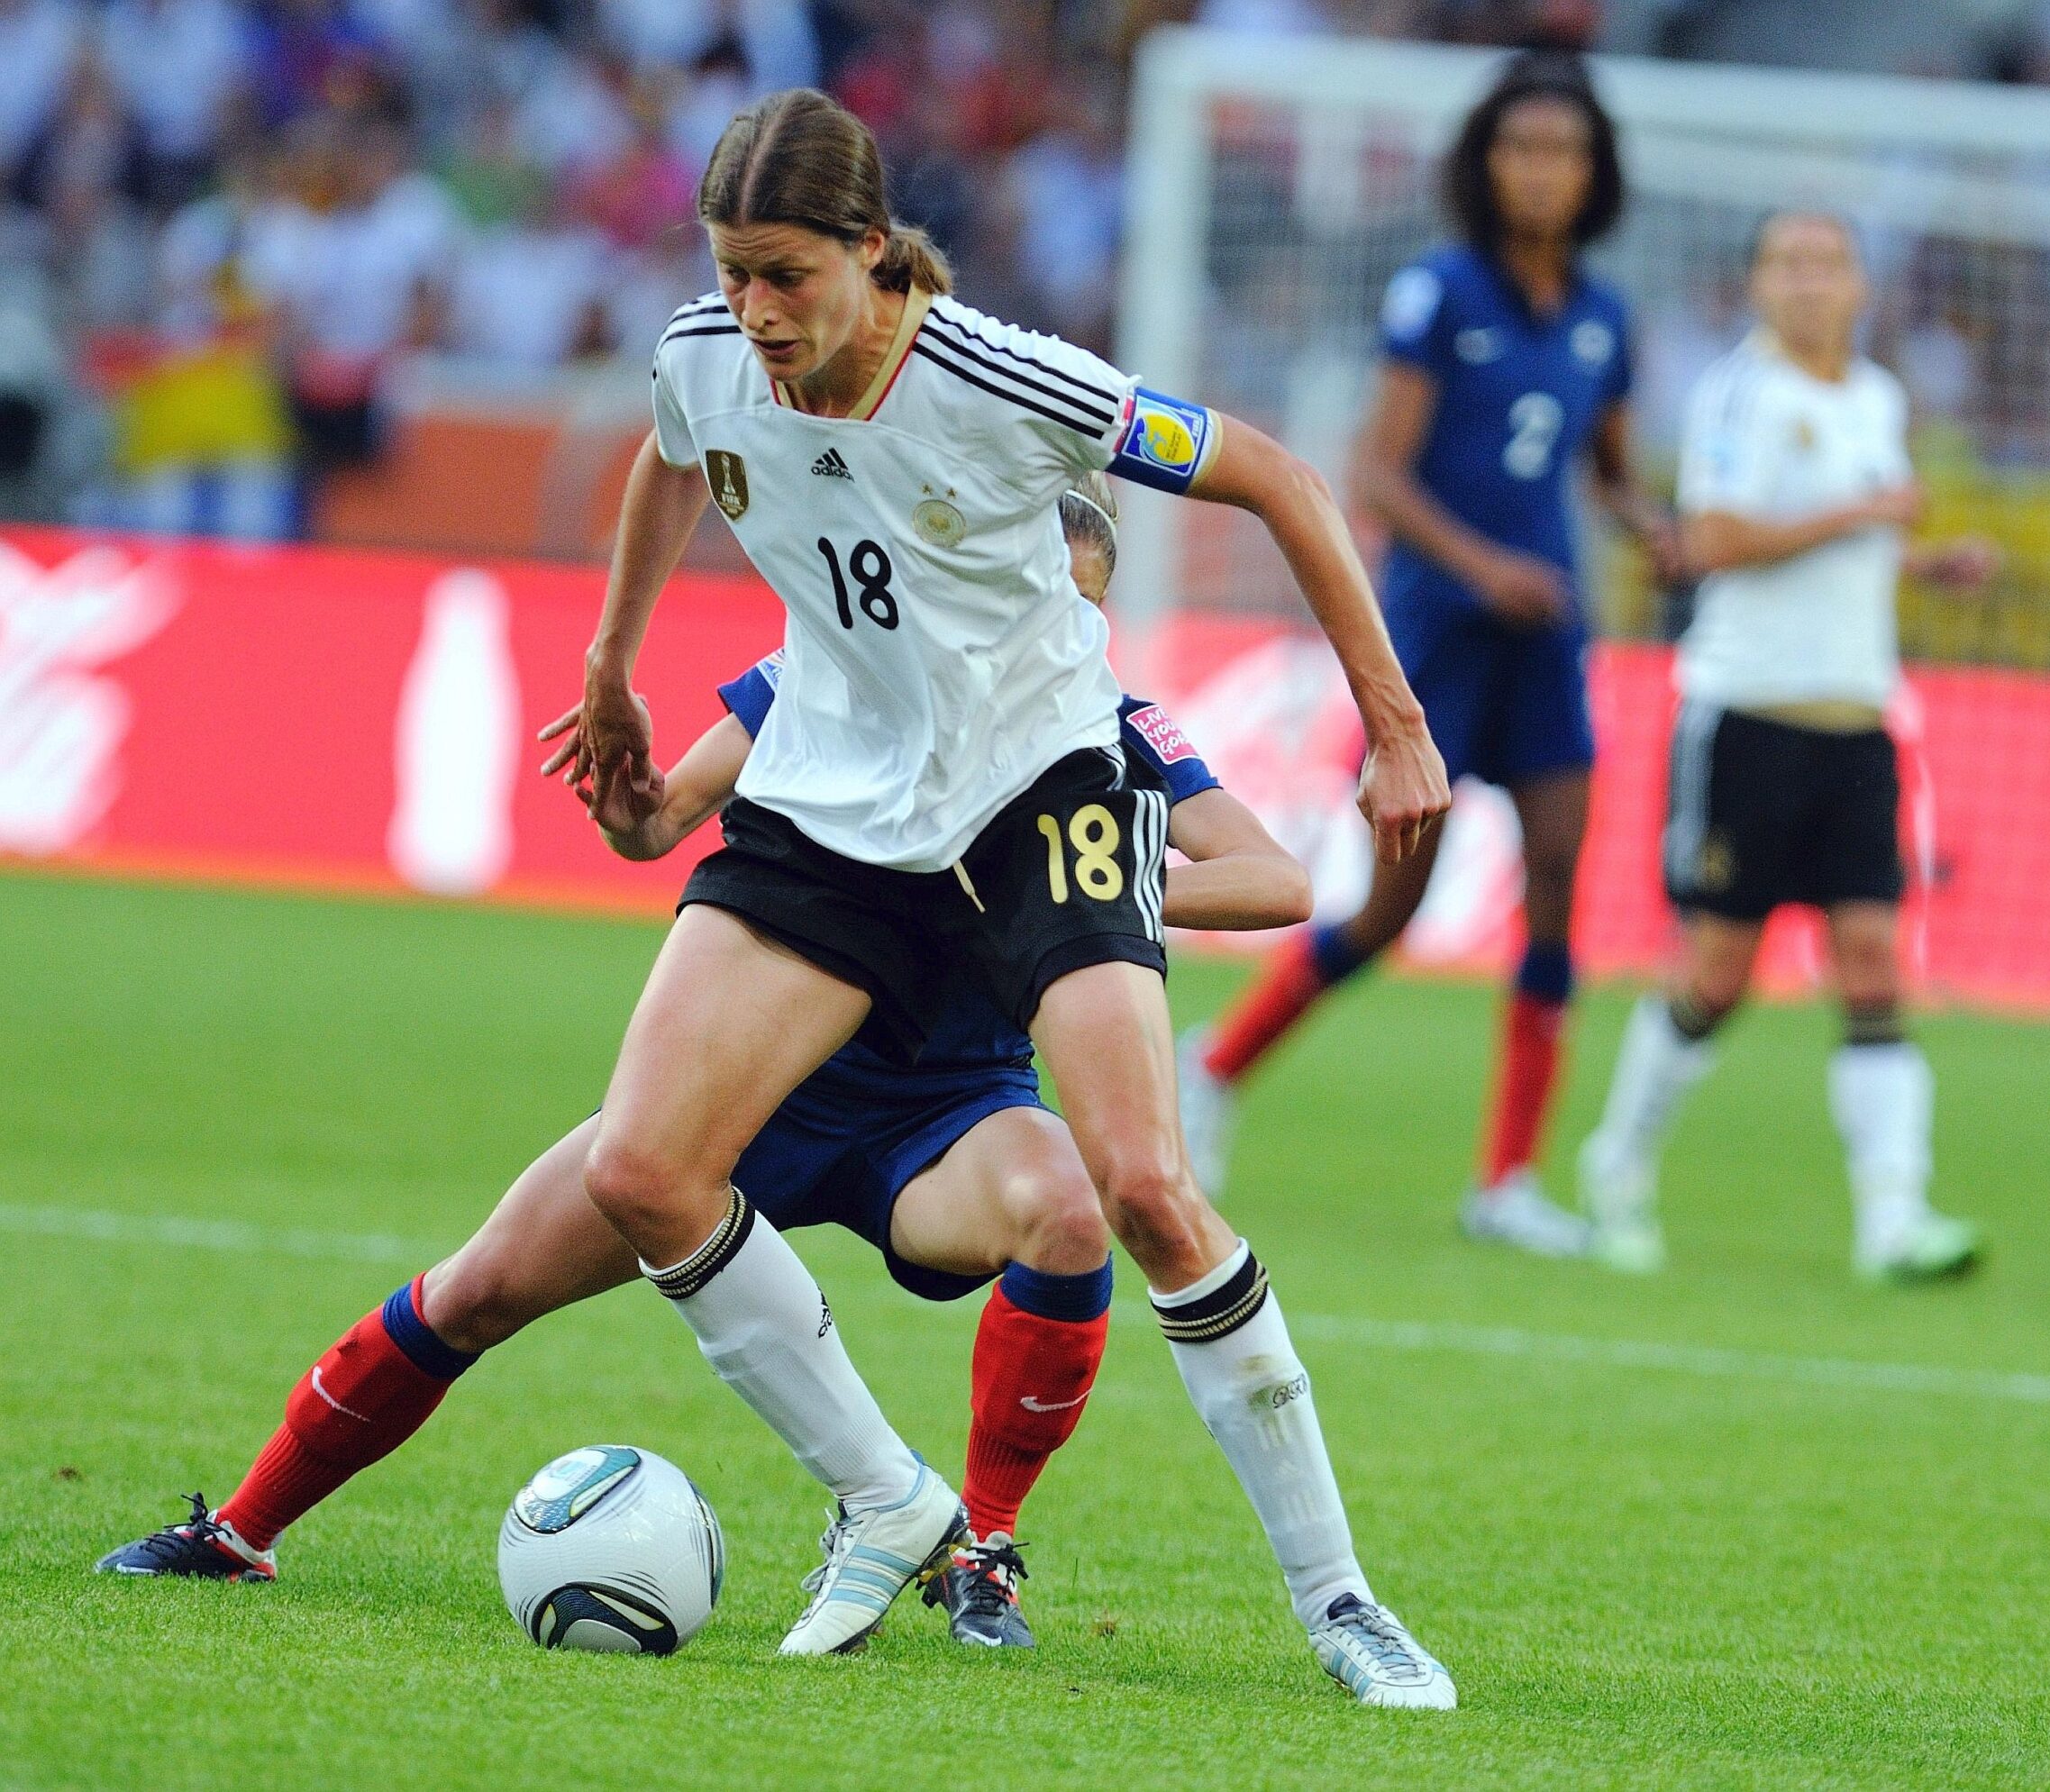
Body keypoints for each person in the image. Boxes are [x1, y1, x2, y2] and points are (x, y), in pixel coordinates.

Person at [563, 88, 1453, 1705]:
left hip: (1043, 792)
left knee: (1145, 1186)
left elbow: (1284, 481)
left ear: (867, 248)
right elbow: (669, 461)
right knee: (638, 1166)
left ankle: (1341, 1603)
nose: (756, 311)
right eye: (732, 272)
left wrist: (1394, 724)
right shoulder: (704, 348)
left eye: (786, 275)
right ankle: (893, 1496)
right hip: (840, 808)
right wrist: (610, 661)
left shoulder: (1003, 372)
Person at [94, 485, 1316, 1661]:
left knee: (1066, 1208)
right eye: (1028, 594)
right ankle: (243, 1530)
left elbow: (1278, 878)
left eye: (1078, 608)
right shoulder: (830, 681)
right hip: (748, 1090)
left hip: (950, 1112)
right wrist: (626, 803)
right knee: (478, 1290)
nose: (1053, 628)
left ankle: (977, 1546)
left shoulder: (1108, 733)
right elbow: (658, 818)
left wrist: (1077, 897)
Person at [1178, 56, 1676, 1255]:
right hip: (1438, 637)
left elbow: (1605, 471)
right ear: (1485, 164)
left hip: (1547, 635)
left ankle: (1506, 1179)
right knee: (1394, 906)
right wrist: (1482, 565)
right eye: (1522, 148)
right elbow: (1378, 474)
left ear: (1594, 171)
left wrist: (1652, 529)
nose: (1542, 171)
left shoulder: (1606, 316)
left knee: (1559, 874)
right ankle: (1221, 1061)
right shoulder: (1439, 294)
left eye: (1564, 151)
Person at [1576, 211, 1998, 1282]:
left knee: (1872, 963)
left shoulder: (1875, 399)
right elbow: (1710, 541)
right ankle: (1616, 1168)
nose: (1809, 284)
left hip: (1858, 718)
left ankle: (1893, 1220)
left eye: (1829, 265)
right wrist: (1864, 513)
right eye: (1787, 265)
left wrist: (1920, 560)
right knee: (1718, 971)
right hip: (1747, 715)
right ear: (1759, 284)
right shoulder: (1739, 394)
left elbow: (1848, 545)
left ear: (1860, 286)